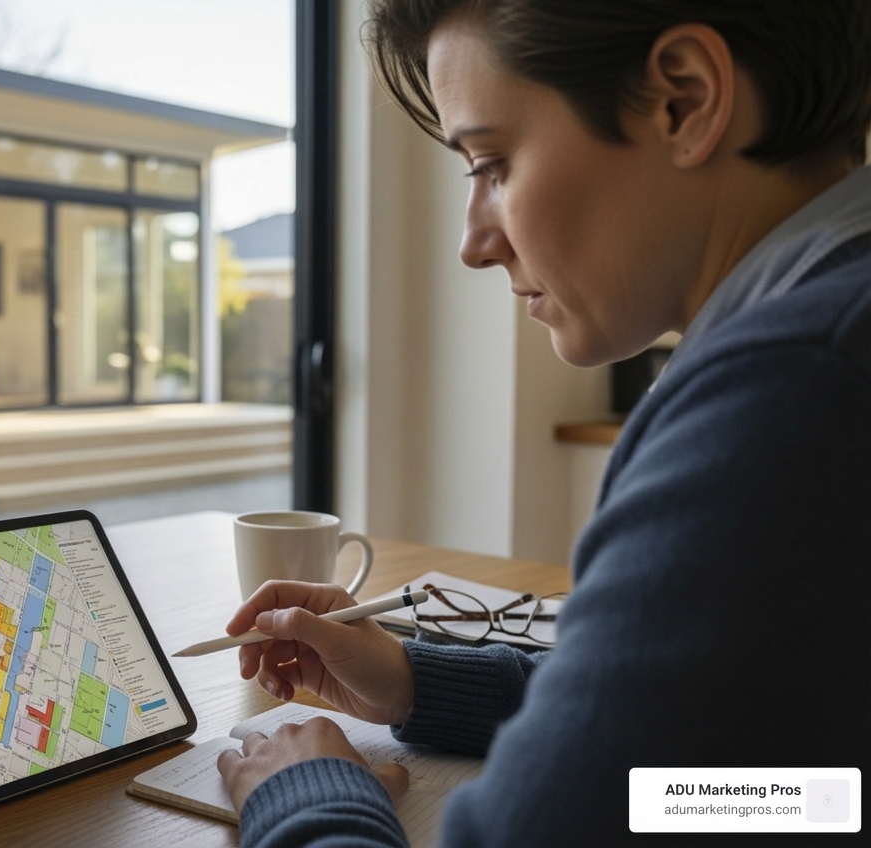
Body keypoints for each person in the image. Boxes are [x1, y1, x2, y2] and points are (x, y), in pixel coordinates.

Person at [215, 2, 871, 845]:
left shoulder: (789, 393)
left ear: (685, 99)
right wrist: (421, 680)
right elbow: (795, 794)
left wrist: (307, 795)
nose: (473, 243)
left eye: (491, 162)